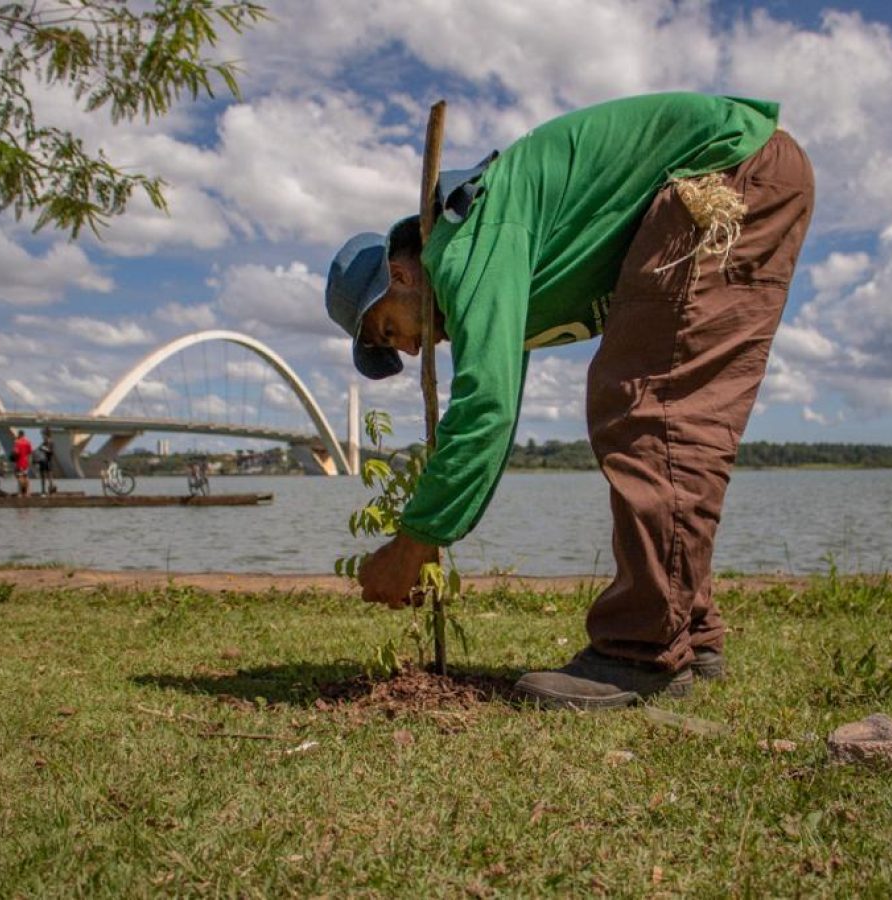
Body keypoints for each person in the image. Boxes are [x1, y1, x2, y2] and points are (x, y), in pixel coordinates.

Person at [325, 93, 814, 709]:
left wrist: (414, 540)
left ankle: (640, 651)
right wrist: (431, 530)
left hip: (723, 176)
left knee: (646, 405)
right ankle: (689, 631)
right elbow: (500, 404)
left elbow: (486, 408)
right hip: (748, 169)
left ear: (400, 276)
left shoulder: (465, 243)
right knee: (660, 404)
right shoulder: (485, 247)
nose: (411, 348)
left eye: (390, 330)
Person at [34, 428, 56, 495]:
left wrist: (44, 449)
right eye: (42, 435)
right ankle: (43, 491)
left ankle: (51, 489)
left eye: (43, 435)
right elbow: (39, 451)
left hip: (48, 461)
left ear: (47, 435)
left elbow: (51, 452)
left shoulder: (51, 442)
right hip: (42, 462)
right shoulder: (43, 443)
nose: (42, 436)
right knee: (43, 477)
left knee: (50, 477)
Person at [12, 429, 33, 496]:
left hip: (19, 462)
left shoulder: (17, 442)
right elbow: (30, 453)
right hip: (26, 461)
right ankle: (28, 492)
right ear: (24, 435)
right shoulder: (28, 442)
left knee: (20, 477)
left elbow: (16, 452)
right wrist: (29, 461)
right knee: (26, 477)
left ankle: (20, 493)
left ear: (19, 434)